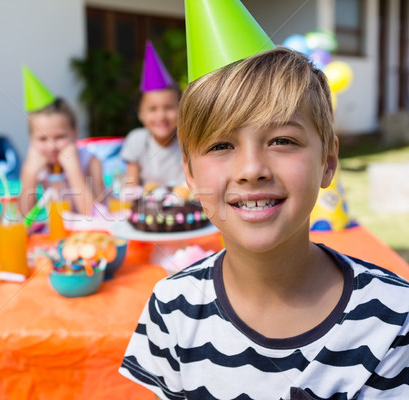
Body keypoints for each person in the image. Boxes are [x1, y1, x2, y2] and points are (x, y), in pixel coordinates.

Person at [119, 2, 409, 399]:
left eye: (282, 141)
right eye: (221, 144)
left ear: (327, 162)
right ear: (190, 174)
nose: (251, 168)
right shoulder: (171, 308)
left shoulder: (393, 319)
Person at [19, 66, 104, 216]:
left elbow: (95, 216)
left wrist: (73, 170)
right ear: (31, 140)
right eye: (42, 139)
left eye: (59, 137)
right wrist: (30, 175)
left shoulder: (91, 162)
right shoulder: (33, 165)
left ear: (75, 135)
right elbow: (20, 220)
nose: (51, 146)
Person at [120, 41, 183, 188]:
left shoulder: (188, 142)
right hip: (146, 208)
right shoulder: (137, 140)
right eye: (152, 109)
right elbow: (131, 187)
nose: (161, 116)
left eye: (168, 107)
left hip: (184, 208)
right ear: (140, 114)